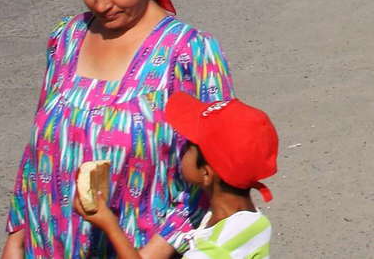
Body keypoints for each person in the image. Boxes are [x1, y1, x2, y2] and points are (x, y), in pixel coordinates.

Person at [2, 0, 232, 259]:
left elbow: (216, 169)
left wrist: (155, 251)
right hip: (48, 242)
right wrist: (17, 235)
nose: (102, 3)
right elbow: (39, 144)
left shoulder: (188, 51)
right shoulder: (66, 38)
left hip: (138, 247)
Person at [77, 92, 278, 259]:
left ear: (206, 173)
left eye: (189, 147)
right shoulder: (254, 223)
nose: (181, 150)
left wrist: (109, 224)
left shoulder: (214, 250)